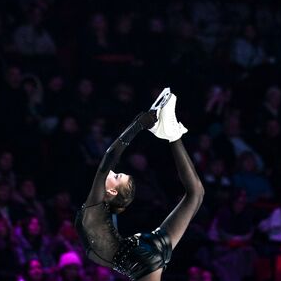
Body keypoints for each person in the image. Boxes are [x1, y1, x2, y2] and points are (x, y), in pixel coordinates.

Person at [75, 88, 204, 280]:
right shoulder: (96, 208)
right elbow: (108, 159)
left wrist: (138, 125)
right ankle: (172, 133)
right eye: (118, 175)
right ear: (111, 191)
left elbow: (108, 159)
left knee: (196, 194)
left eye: (117, 175)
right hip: (138, 254)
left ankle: (171, 132)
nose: (113, 172)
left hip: (138, 255)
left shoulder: (95, 208)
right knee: (196, 194)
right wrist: (137, 124)